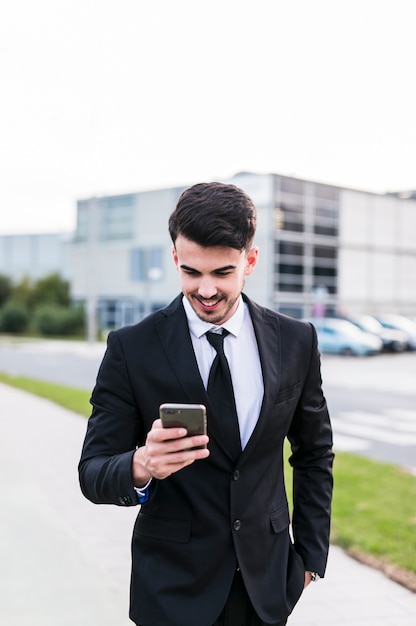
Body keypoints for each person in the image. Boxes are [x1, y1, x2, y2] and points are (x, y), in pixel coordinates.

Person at [79, 181, 334, 626]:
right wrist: (142, 464)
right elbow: (93, 471)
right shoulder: (131, 348)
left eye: (222, 273)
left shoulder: (295, 341)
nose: (206, 290)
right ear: (175, 257)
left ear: (250, 261)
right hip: (172, 592)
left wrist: (309, 558)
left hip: (268, 587)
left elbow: (314, 454)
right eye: (192, 272)